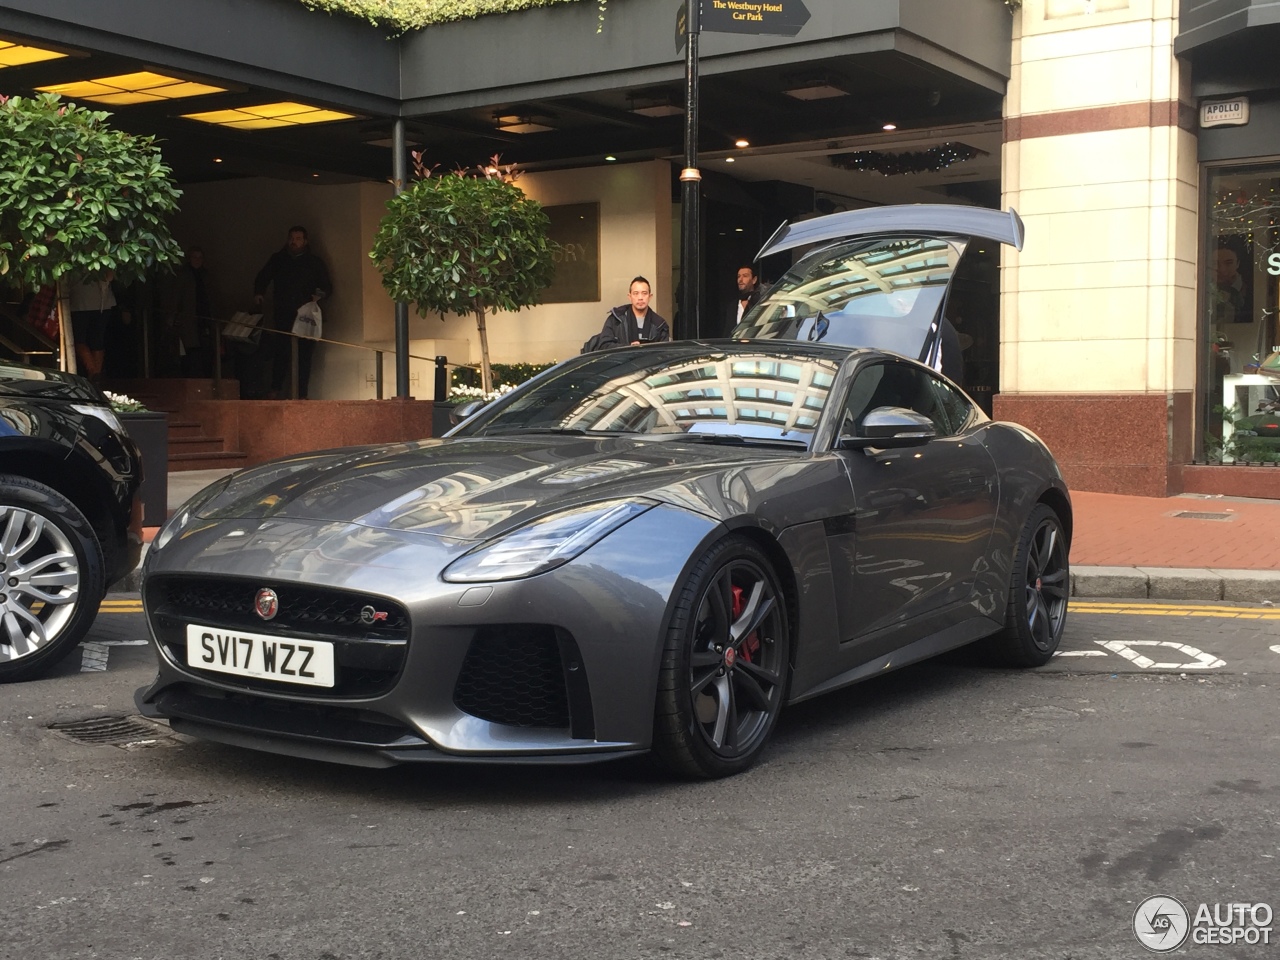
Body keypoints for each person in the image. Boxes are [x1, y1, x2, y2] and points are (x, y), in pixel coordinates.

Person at [253, 225, 331, 398]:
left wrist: (319, 295)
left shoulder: (314, 262)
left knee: (304, 355)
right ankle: (276, 388)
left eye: (298, 239)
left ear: (305, 241)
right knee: (281, 351)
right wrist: (259, 292)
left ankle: (302, 393)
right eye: (292, 238)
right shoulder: (278, 259)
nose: (294, 242)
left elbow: (326, 285)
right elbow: (263, 276)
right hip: (283, 312)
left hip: (306, 315)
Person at [167, 247, 217, 378]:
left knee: (206, 353)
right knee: (188, 355)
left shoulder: (206, 275)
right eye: (194, 257)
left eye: (200, 257)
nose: (197, 260)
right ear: (189, 259)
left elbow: (212, 299)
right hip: (188, 322)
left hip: (204, 321)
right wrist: (173, 319)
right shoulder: (183, 275)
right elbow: (175, 298)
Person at [68, 270, 117, 383]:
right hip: (102, 303)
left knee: (79, 340)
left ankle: (94, 373)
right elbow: (109, 275)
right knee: (97, 341)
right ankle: (96, 375)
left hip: (79, 301)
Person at [594, 276, 670, 349]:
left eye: (644, 293)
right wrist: (628, 348)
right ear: (629, 297)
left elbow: (664, 352)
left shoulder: (660, 325)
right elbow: (604, 346)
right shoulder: (616, 319)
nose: (640, 298)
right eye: (636, 293)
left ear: (650, 297)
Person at [729, 264, 766, 329]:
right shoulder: (732, 306)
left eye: (745, 276)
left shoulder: (760, 302)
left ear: (754, 280)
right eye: (738, 276)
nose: (740, 279)